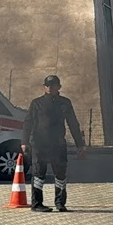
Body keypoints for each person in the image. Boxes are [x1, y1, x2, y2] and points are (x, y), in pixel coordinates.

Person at [22, 75, 85, 213]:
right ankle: (37, 204)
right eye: (47, 85)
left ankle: (60, 203)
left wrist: (79, 144)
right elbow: (28, 123)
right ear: (44, 87)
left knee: (60, 174)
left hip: (58, 145)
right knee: (38, 174)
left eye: (53, 85)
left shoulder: (65, 103)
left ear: (59, 87)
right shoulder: (36, 103)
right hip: (39, 144)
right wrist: (24, 142)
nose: (50, 87)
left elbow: (73, 123)